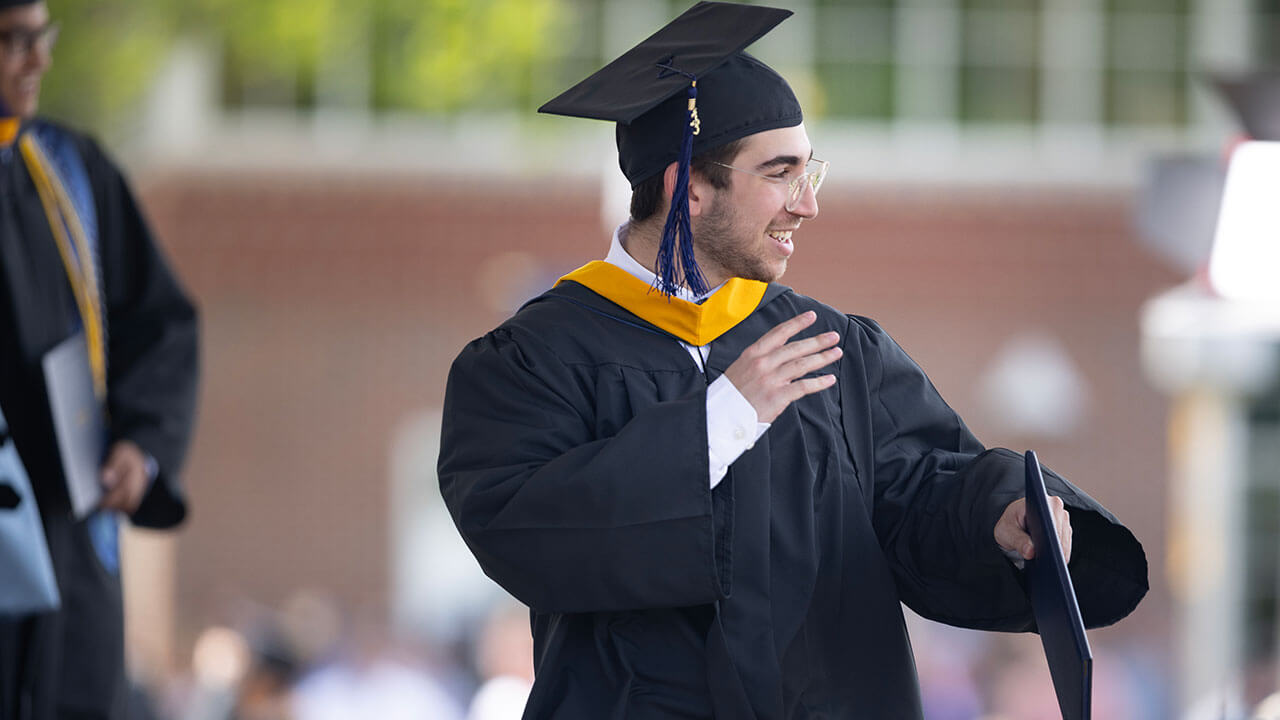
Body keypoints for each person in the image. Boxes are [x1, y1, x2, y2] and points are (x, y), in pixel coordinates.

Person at [438, 3, 1147, 718]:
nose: (806, 206)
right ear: (689, 188)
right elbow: (522, 533)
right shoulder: (534, 360)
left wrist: (998, 516)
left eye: (812, 173)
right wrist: (720, 421)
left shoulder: (833, 349)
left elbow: (923, 489)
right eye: (780, 174)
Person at [0, 0, 199, 717]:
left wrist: (141, 448)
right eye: (15, 40)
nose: (38, 59)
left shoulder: (72, 170)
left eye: (41, 36)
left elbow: (163, 324)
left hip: (71, 543)